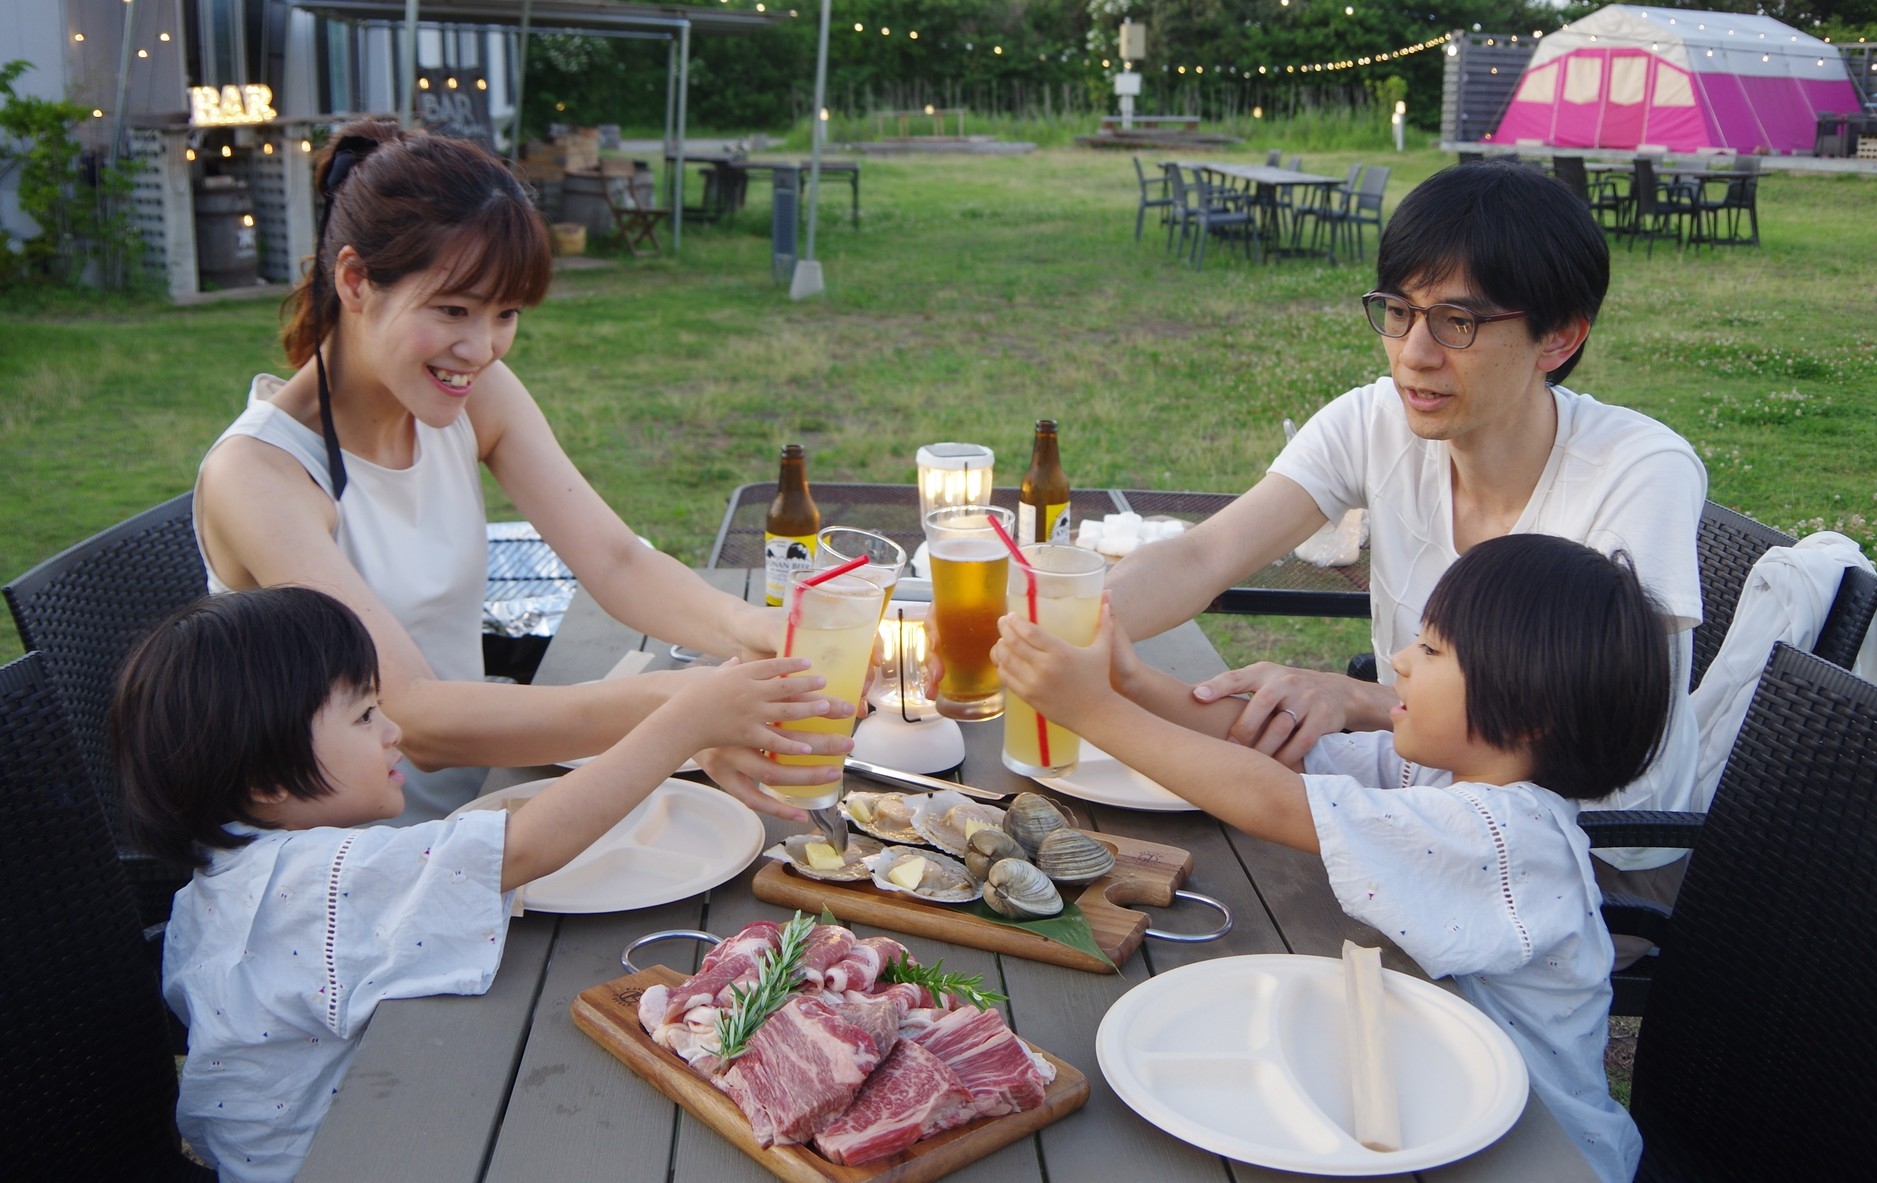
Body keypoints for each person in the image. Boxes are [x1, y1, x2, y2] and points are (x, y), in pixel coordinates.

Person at [1105, 159, 1705, 933]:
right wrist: (1057, 625)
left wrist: (1364, 701)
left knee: (1253, 910)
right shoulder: (1378, 418)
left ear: (1558, 336)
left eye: (1457, 322)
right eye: (1399, 311)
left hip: (1592, 852)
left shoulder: (1638, 469)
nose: (1413, 354)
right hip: (1427, 785)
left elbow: (1584, 723)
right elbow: (1205, 554)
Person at [192, 119, 845, 825]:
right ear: (355, 280)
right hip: (339, 876)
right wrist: (684, 712)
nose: (481, 348)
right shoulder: (260, 474)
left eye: (506, 313)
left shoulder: (471, 396)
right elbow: (415, 715)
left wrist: (757, 630)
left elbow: (618, 560)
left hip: (478, 813)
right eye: (453, 310)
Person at [997, 534, 1667, 1183]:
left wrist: (1094, 710)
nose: (1399, 661)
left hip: (1538, 1152)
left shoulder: (1508, 835)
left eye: (1432, 649)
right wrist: (1132, 682)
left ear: (1528, 714)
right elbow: (1263, 749)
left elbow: (1281, 802)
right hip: (1430, 1093)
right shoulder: (1445, 773)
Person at [113, 586, 834, 1183]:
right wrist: (684, 721)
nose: (394, 729)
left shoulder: (228, 877)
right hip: (343, 1157)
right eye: (365, 715)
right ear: (268, 780)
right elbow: (526, 846)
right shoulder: (321, 882)